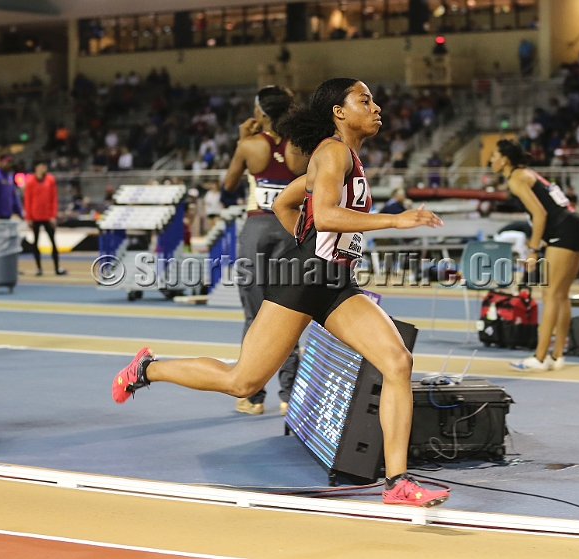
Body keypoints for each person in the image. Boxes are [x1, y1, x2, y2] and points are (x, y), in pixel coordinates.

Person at [111, 78, 449, 507]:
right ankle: (147, 369)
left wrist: (308, 242)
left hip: (335, 283)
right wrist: (394, 221)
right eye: (365, 100)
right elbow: (325, 215)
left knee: (397, 361)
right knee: (242, 381)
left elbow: (284, 205)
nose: (377, 107)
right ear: (339, 112)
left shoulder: (343, 157)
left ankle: (397, 483)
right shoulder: (332, 152)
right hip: (304, 279)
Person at [222, 86, 309, 416]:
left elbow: (228, 187)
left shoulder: (250, 145)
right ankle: (290, 396)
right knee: (288, 314)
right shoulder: (299, 146)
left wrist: (239, 143)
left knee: (254, 315)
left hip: (258, 229)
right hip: (291, 229)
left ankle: (253, 397)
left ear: (260, 112)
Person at [490, 139, 579, 372]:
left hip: (564, 228)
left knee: (551, 294)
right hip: (577, 224)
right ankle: (556, 356)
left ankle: (540, 357)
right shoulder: (526, 173)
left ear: (505, 159)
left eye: (494, 155)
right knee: (561, 295)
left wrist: (533, 250)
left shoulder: (516, 178)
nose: (491, 160)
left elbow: (540, 214)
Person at [24, 161, 66, 276]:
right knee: (35, 242)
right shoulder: (31, 182)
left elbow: (54, 198)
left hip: (48, 217)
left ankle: (57, 267)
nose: (44, 168)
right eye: (42, 166)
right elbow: (28, 200)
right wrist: (28, 217)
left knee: (53, 241)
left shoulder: (50, 180)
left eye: (45, 166)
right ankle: (39, 268)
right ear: (37, 167)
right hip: (35, 216)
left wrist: (53, 215)